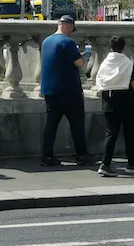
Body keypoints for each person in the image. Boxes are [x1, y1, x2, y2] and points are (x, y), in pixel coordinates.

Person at [40, 15, 94, 166]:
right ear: (68, 26)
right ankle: (81, 155)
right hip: (69, 90)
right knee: (77, 124)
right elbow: (79, 63)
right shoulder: (68, 42)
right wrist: (83, 58)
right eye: (72, 29)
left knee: (51, 124)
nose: (72, 32)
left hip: (50, 90)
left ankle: (47, 156)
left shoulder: (46, 41)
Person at [95, 36, 134, 177]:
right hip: (126, 101)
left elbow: (100, 80)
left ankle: (105, 164)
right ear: (124, 47)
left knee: (111, 133)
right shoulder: (127, 63)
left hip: (109, 102)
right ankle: (132, 164)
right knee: (129, 133)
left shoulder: (105, 63)